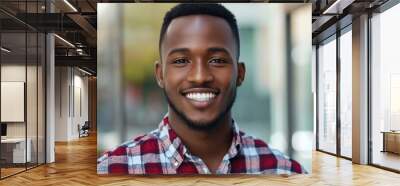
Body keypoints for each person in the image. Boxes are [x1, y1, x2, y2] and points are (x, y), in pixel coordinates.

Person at [98, 3, 306, 175]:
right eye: (181, 60)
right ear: (160, 74)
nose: (199, 76)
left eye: (217, 60)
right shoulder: (113, 169)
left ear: (240, 74)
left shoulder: (285, 171)